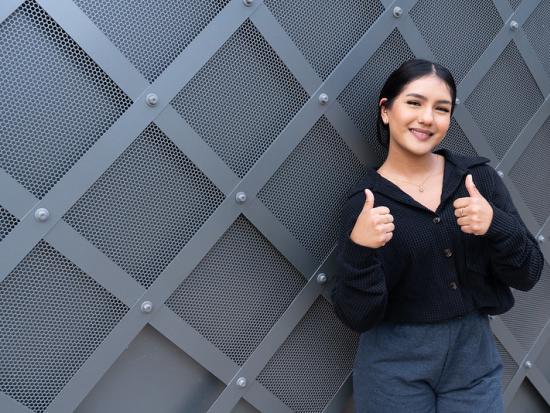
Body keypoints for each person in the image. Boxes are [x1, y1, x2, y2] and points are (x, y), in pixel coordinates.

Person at [331, 59, 545, 413]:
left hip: (472, 358)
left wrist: (496, 224)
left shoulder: (477, 179)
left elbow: (529, 273)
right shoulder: (365, 203)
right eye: (414, 103)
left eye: (441, 109)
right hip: (394, 364)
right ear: (386, 110)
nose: (427, 118)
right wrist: (359, 250)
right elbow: (357, 316)